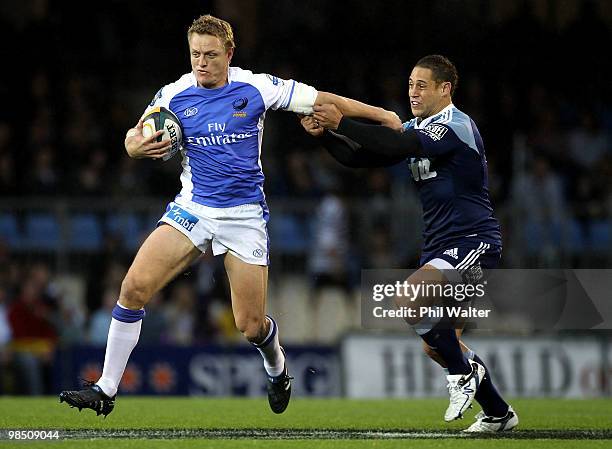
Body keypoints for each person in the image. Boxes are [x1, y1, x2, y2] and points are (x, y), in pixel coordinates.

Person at [59, 14, 400, 417]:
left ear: (229, 54)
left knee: (250, 325)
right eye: (195, 54)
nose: (201, 63)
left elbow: (323, 100)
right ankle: (107, 388)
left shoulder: (256, 87)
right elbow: (135, 134)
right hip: (193, 208)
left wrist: (382, 115)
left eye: (210, 55)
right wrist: (136, 147)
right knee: (132, 288)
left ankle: (277, 368)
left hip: (244, 217)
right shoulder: (174, 93)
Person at [301, 55, 518, 433]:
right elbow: (364, 157)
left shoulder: (455, 125)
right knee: (437, 345)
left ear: (445, 89)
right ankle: (499, 413)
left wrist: (343, 121)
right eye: (410, 84)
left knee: (407, 299)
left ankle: (463, 375)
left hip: (473, 240)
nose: (413, 92)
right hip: (439, 246)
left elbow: (392, 146)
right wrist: (326, 137)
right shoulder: (419, 127)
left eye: (422, 85)